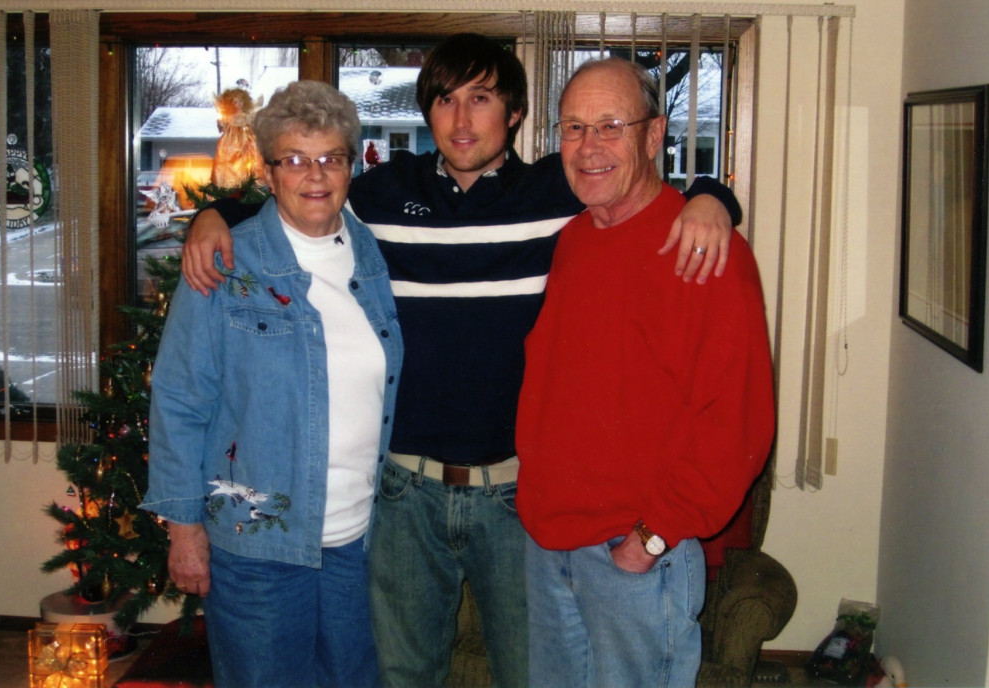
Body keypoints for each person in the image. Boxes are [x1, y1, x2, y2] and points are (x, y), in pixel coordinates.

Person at [180, 34, 740, 688]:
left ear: (515, 114)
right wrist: (213, 217)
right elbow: (296, 200)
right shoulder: (381, 198)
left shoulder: (557, 198)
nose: (462, 118)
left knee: (531, 675)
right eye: (445, 99)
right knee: (399, 674)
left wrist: (713, 199)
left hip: (516, 495)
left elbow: (634, 187)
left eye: (482, 98)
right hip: (404, 494)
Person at [515, 57, 776, 688]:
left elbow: (735, 424)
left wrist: (652, 539)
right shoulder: (573, 239)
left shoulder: (709, 251)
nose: (589, 146)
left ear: (654, 135)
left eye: (610, 125)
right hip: (549, 542)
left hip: (633, 556)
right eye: (573, 128)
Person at [139, 80, 403, 688]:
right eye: (295, 159)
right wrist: (184, 532)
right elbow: (179, 398)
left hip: (361, 543)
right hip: (257, 545)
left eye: (330, 157)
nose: (315, 175)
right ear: (268, 170)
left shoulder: (377, 256)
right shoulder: (227, 264)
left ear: (350, 165)